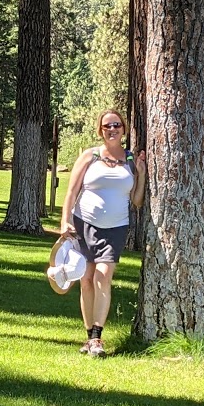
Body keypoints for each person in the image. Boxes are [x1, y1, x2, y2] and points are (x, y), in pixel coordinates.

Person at [58, 109, 145, 356]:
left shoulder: (130, 159)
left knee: (103, 276)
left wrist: (141, 175)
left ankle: (97, 337)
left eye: (116, 125)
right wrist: (65, 221)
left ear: (124, 129)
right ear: (100, 130)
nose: (112, 129)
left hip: (116, 227)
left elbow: (137, 201)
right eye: (107, 126)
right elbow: (71, 192)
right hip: (84, 223)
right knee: (86, 279)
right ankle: (89, 337)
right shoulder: (90, 156)